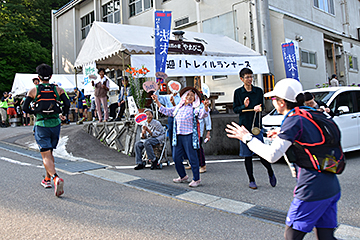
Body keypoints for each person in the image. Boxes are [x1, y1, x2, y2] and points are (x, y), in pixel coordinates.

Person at [226, 78, 341, 240]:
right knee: (326, 236)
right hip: (331, 184)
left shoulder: (293, 119)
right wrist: (281, 136)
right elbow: (309, 140)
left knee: (291, 236)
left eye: (274, 99)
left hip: (311, 189)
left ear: (281, 102)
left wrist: (247, 138)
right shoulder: (309, 113)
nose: (272, 102)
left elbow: (272, 155)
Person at [22, 63, 70, 197]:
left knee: (45, 155)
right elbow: (67, 103)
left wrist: (35, 111)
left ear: (38, 76)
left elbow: (25, 108)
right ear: (51, 76)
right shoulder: (58, 89)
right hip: (55, 125)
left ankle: (55, 178)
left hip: (41, 124)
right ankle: (47, 179)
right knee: (49, 152)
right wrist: (64, 115)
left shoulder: (33, 90)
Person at [152, 86, 210, 188]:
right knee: (176, 157)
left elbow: (202, 114)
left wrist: (205, 107)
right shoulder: (178, 108)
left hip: (189, 136)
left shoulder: (195, 109)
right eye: (188, 95)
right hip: (178, 136)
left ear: (195, 98)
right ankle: (183, 176)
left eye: (192, 95)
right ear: (183, 96)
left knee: (192, 158)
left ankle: (196, 179)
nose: (190, 97)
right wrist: (157, 101)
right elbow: (166, 111)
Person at [233, 67, 276, 189]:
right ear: (241, 79)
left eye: (251, 76)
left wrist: (258, 107)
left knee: (261, 153)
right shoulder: (238, 92)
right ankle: (251, 180)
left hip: (256, 126)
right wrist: (244, 105)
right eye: (247, 77)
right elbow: (236, 109)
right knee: (247, 156)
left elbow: (262, 105)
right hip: (244, 127)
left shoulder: (258, 91)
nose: (250, 79)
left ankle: (270, 171)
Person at [155, 81, 181, 154]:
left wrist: (173, 104)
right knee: (171, 136)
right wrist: (157, 89)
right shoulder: (167, 97)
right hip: (171, 118)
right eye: (172, 86)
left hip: (180, 118)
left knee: (180, 136)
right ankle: (174, 154)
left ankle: (181, 154)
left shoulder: (181, 97)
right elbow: (158, 97)